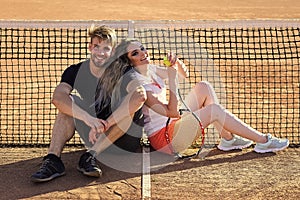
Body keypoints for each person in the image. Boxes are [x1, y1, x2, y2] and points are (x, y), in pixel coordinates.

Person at [91, 38, 289, 157]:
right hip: (164, 139)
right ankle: (263, 141)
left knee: (204, 87)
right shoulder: (138, 84)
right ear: (130, 61)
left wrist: (175, 65)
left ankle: (227, 139)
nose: (143, 53)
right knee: (214, 111)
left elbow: (184, 74)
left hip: (175, 125)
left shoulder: (150, 69)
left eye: (142, 48)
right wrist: (172, 80)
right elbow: (172, 111)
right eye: (136, 53)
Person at [31, 25, 146, 183]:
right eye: (97, 46)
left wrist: (106, 124)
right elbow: (58, 98)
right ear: (90, 47)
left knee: (128, 109)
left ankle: (90, 155)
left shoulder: (123, 71)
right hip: (93, 132)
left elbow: (139, 96)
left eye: (106, 48)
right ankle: (53, 160)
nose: (100, 52)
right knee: (69, 104)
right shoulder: (75, 71)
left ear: (112, 52)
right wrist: (88, 119)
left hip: (123, 141)